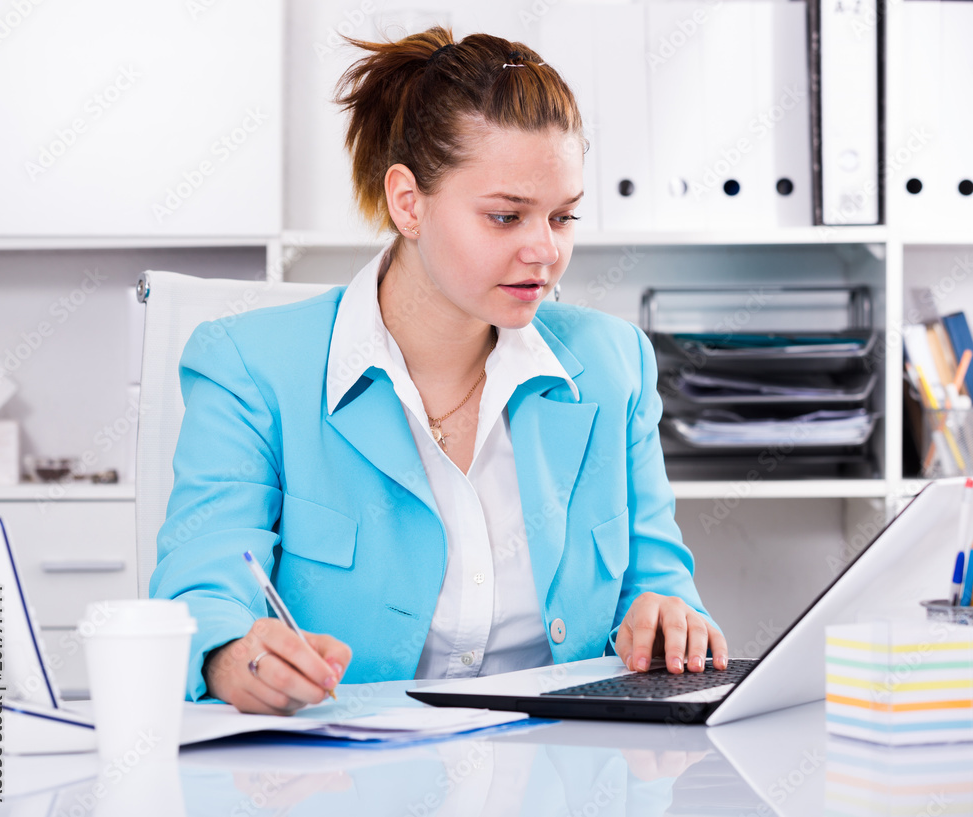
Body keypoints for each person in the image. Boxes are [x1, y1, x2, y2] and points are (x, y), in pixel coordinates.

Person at [150, 26, 727, 716]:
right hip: (344, 762)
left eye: (563, 216)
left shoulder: (614, 364)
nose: (545, 250)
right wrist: (230, 655)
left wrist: (668, 617)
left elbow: (658, 582)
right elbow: (201, 590)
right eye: (506, 216)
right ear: (408, 202)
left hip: (563, 760)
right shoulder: (252, 368)